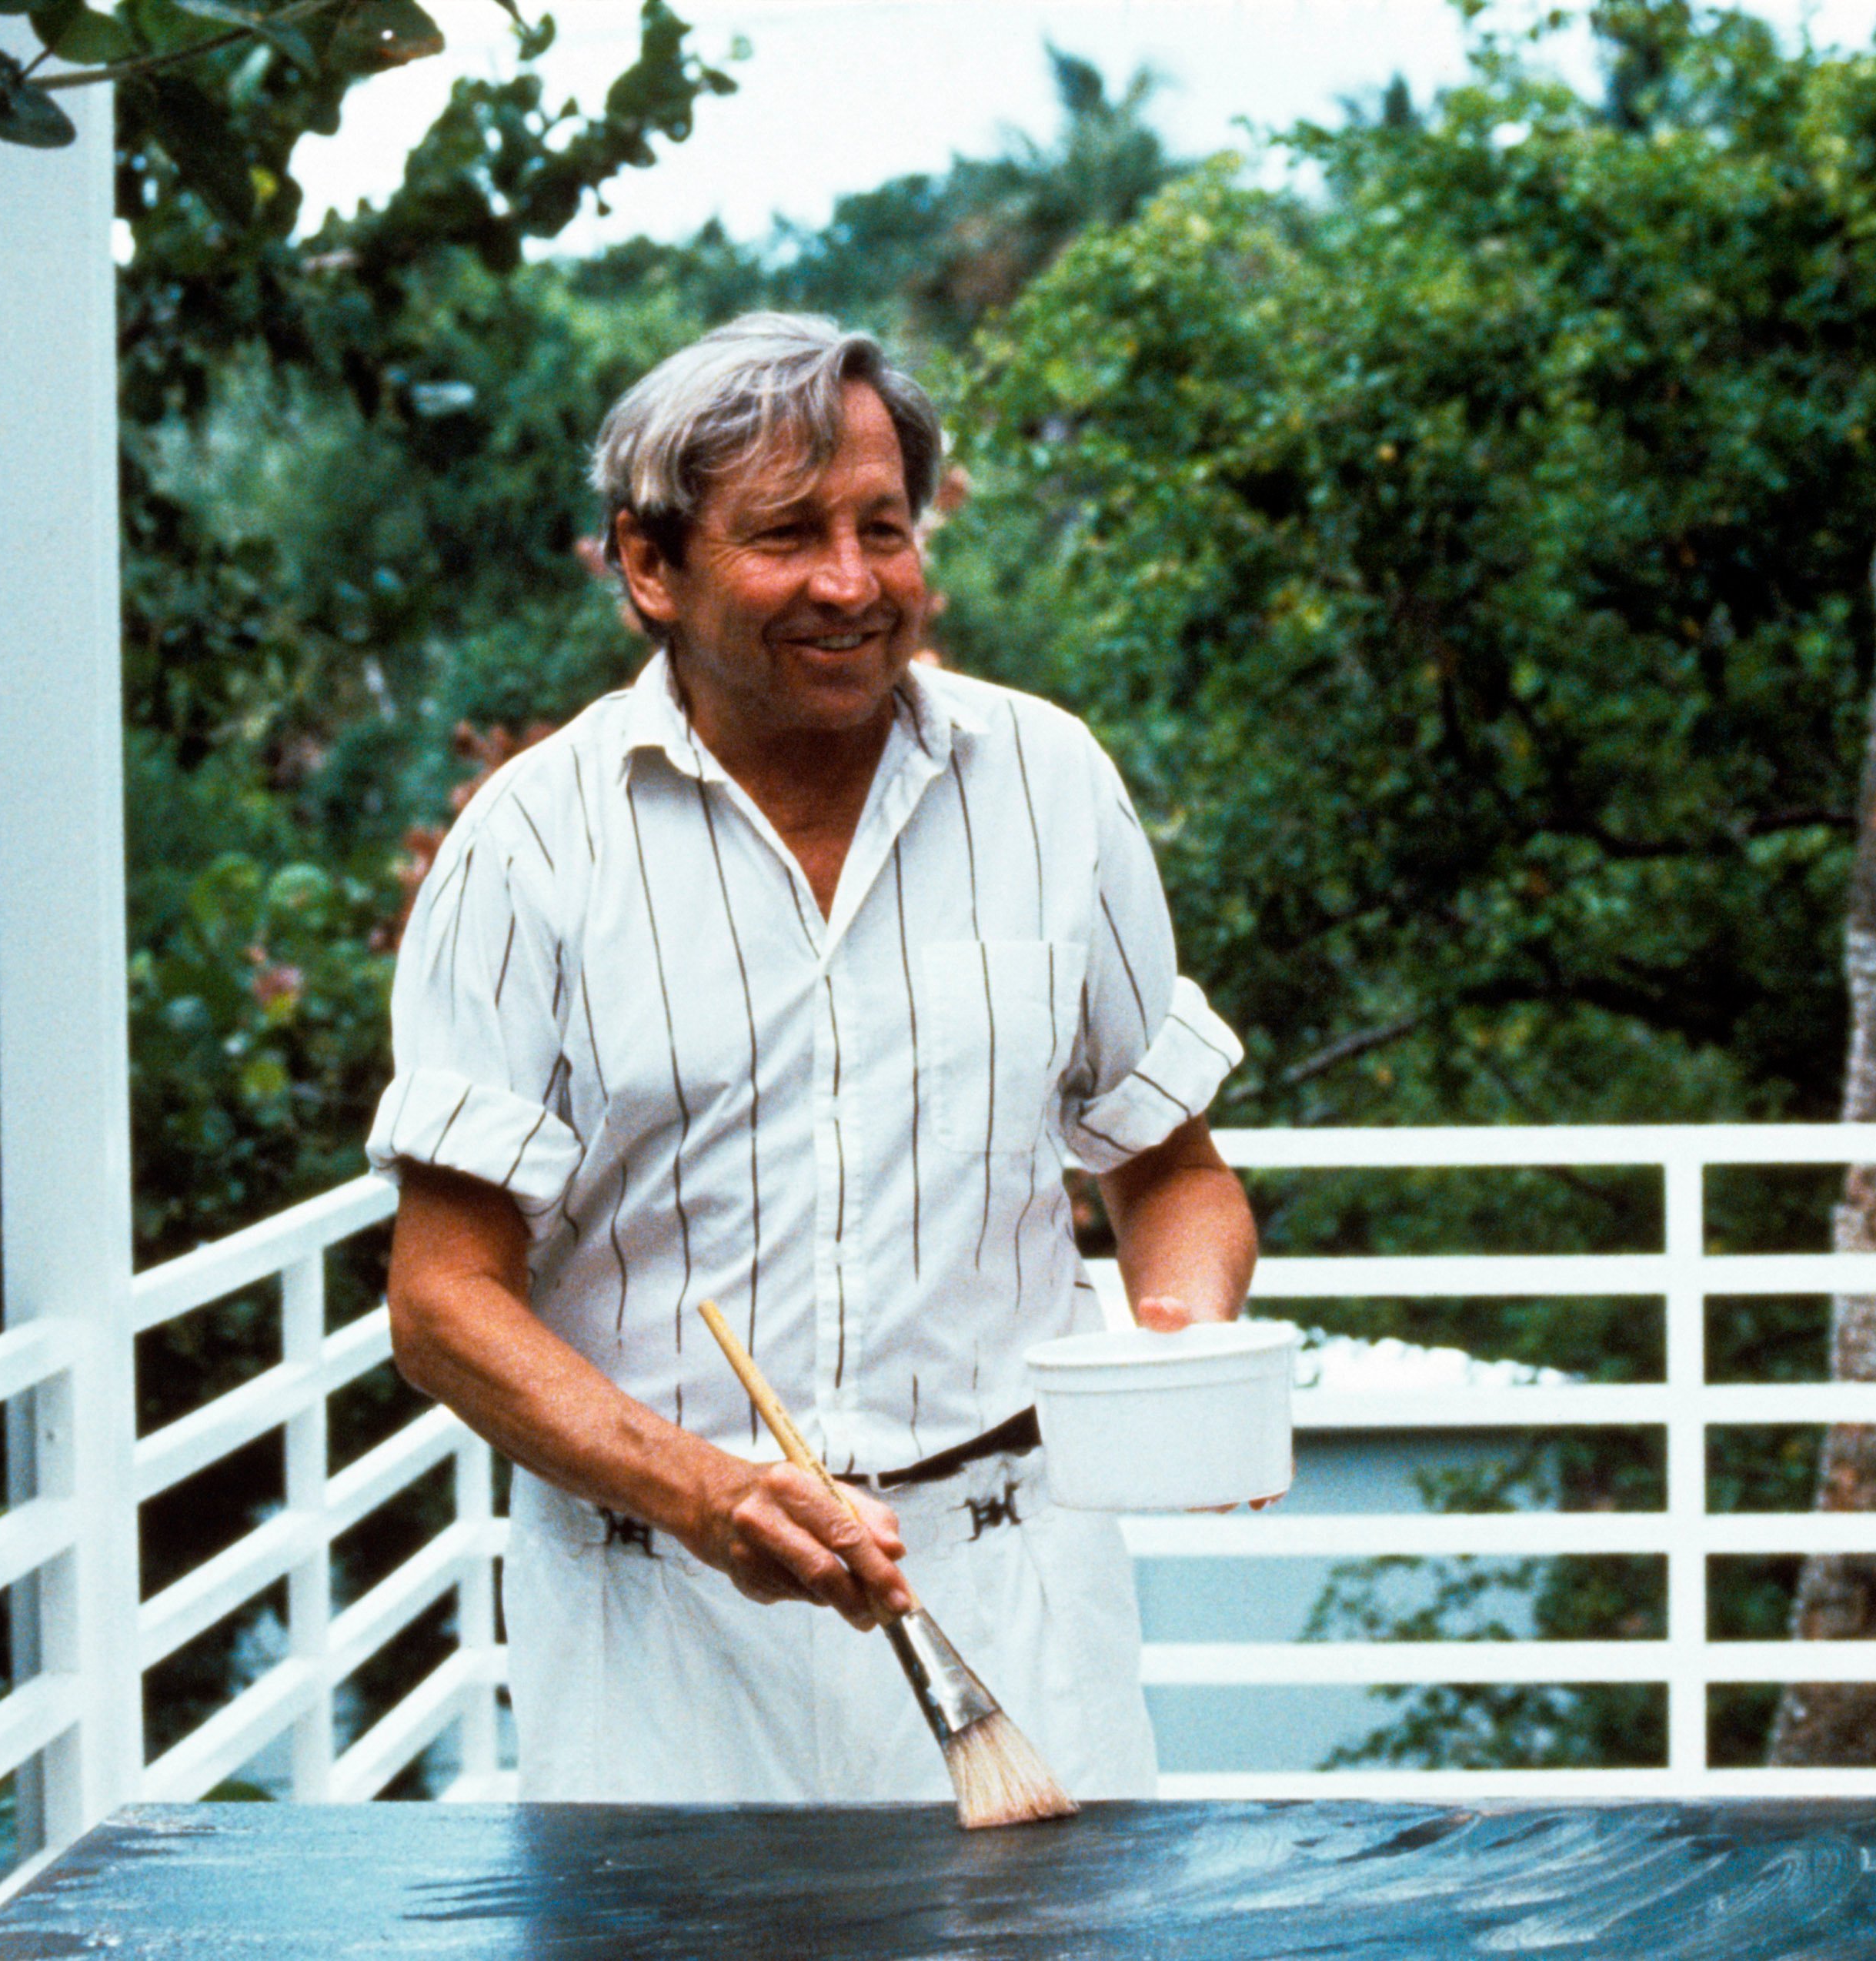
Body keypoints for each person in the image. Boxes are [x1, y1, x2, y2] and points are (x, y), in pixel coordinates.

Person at [369, 312, 1258, 1804]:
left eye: (882, 527)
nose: (851, 582)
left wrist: (1184, 1332)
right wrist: (713, 1496)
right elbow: (442, 1300)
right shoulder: (528, 844)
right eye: (786, 534)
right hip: (662, 1619)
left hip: (1016, 1586)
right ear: (648, 566)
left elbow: (1169, 1168)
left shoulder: (1053, 784)